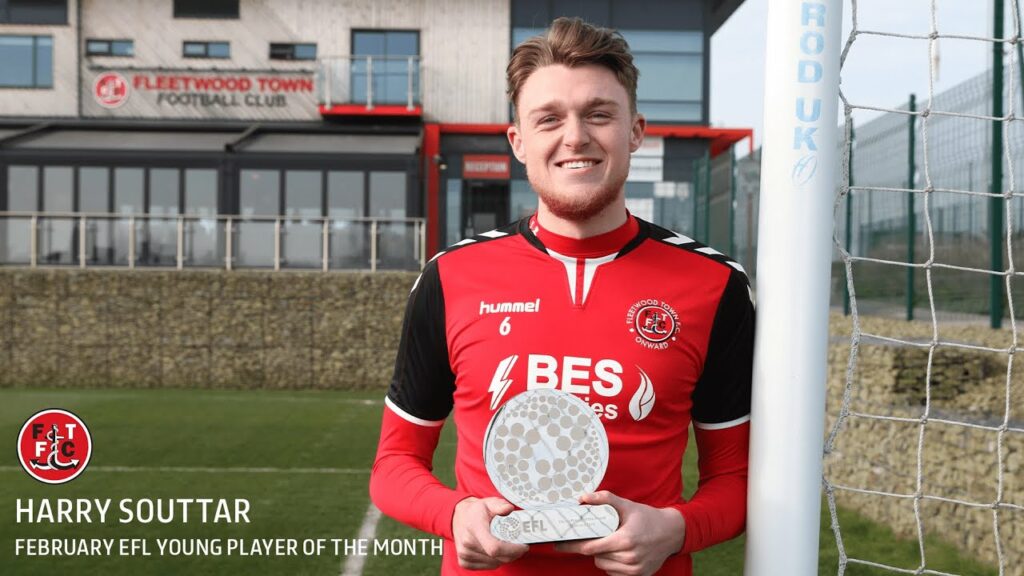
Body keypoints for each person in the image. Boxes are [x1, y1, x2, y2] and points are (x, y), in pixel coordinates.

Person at [370, 16, 753, 576]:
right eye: (549, 118)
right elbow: (394, 463)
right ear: (518, 142)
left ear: (635, 131)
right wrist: (454, 515)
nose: (575, 137)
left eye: (599, 114)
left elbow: (737, 478)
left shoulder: (714, 285)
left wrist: (677, 530)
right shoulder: (450, 276)